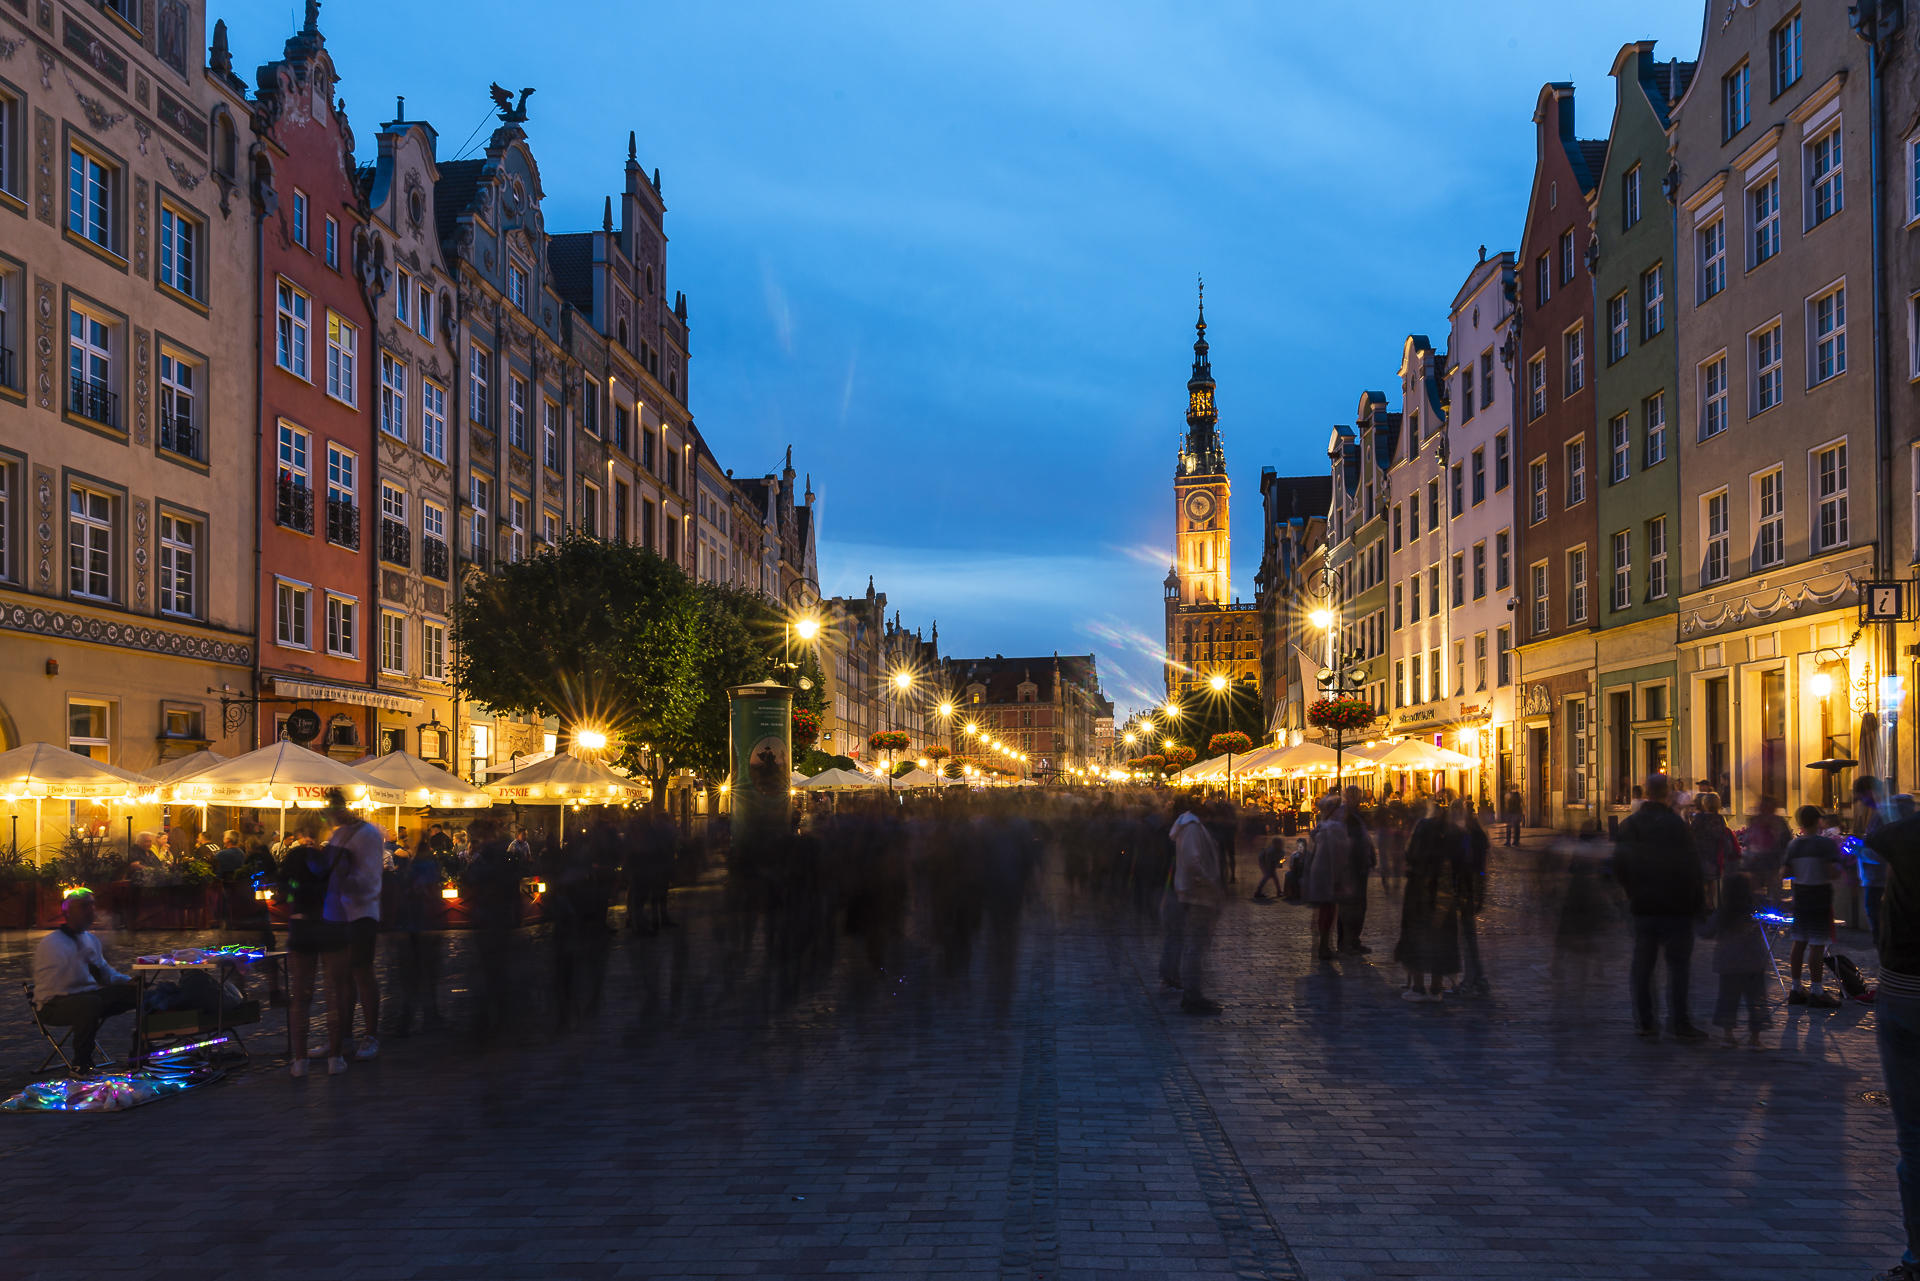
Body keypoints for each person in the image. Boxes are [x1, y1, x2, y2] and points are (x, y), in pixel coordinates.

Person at [1864, 802, 1920, 1281]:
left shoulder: (1904, 837)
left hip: (1905, 993)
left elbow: (1875, 834)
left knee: (1915, 1141)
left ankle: (1918, 1261)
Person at [1612, 772, 1708, 1039]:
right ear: (1667, 794)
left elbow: (1619, 866)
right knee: (1678, 967)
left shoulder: (1630, 825)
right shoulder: (1677, 826)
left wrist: (1630, 893)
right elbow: (1693, 867)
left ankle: (1646, 1021)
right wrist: (1699, 903)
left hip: (1643, 905)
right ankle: (1679, 1022)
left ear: (1646, 793)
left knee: (1643, 966)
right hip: (1677, 906)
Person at [32, 890, 137, 1072]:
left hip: (87, 998)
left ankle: (141, 1052)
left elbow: (105, 973)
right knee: (89, 1003)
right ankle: (82, 1063)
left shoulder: (90, 940)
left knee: (138, 992)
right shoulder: (51, 943)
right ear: (68, 912)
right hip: (54, 1004)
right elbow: (60, 983)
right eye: (84, 906)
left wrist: (128, 982)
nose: (91, 910)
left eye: (92, 904)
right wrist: (82, 960)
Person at [319, 790, 386, 1063]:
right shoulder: (339, 834)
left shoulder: (368, 834)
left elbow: (369, 879)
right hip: (338, 913)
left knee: (362, 972)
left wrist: (337, 878)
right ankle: (342, 1037)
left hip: (362, 912)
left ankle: (370, 1035)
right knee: (341, 977)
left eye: (332, 809)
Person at [279, 815, 349, 1077]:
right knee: (335, 992)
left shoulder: (294, 857)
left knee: (300, 995)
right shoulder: (338, 855)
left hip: (301, 925)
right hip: (333, 924)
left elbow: (282, 891)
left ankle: (299, 1061)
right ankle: (335, 1056)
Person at [1395, 795, 1463, 1002]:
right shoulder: (1455, 831)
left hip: (1419, 890)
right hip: (1444, 891)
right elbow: (1461, 861)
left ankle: (1417, 987)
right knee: (1441, 937)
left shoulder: (1422, 827)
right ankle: (1436, 988)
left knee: (1416, 935)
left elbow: (1410, 855)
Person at [1701, 873, 1772, 1050]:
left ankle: (1728, 1036)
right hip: (1754, 962)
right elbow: (1769, 925)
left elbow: (1706, 932)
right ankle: (1754, 1039)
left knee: (1728, 999)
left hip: (1728, 963)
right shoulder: (1755, 913)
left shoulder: (1721, 915)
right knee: (1756, 1000)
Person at [1784, 804, 1843, 1010]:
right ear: (1819, 821)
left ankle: (1796, 988)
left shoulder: (1794, 845)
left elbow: (1784, 871)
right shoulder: (1825, 844)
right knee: (1817, 944)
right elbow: (1832, 872)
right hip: (1819, 896)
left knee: (1799, 942)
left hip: (1800, 896)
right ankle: (1817, 991)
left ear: (1800, 823)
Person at [1170, 795, 1224, 1015]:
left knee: (1195, 946)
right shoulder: (1192, 828)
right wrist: (1208, 882)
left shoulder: (1191, 825)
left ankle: (1191, 993)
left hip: (1194, 892)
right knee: (1196, 947)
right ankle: (1193, 995)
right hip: (1197, 894)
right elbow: (1193, 862)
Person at [1302, 794, 1349, 962]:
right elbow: (1335, 855)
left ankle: (1323, 944)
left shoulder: (1323, 827)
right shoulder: (1333, 828)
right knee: (1328, 911)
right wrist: (1337, 878)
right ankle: (1324, 945)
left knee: (1324, 911)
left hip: (1321, 873)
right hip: (1329, 874)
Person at [1337, 785, 1375, 955]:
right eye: (1354, 795)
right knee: (1349, 906)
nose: (1358, 798)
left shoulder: (1356, 813)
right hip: (1350, 867)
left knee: (1360, 905)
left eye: (1358, 795)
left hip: (1361, 866)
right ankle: (1346, 942)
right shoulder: (1345, 813)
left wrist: (1370, 854)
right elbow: (1347, 839)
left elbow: (1364, 836)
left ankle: (1354, 940)